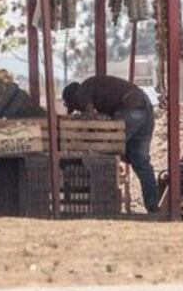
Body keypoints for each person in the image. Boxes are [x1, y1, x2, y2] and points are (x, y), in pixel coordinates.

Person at [62, 75, 158, 213]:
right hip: (145, 108)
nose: (78, 109)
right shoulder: (94, 86)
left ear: (74, 98)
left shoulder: (82, 92)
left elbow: (91, 119)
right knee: (141, 162)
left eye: (75, 107)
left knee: (106, 150)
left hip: (130, 109)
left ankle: (103, 203)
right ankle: (153, 207)